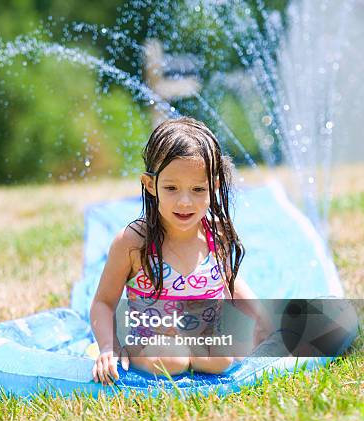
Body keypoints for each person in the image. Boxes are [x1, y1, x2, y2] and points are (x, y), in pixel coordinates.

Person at [91, 116, 270, 385]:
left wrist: (262, 318)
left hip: (203, 340)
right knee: (172, 359)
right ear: (151, 185)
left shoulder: (216, 234)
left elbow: (230, 282)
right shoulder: (133, 243)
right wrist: (109, 347)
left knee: (222, 357)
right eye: (171, 188)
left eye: (198, 189)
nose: (185, 201)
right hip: (150, 342)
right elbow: (103, 303)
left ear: (214, 186)